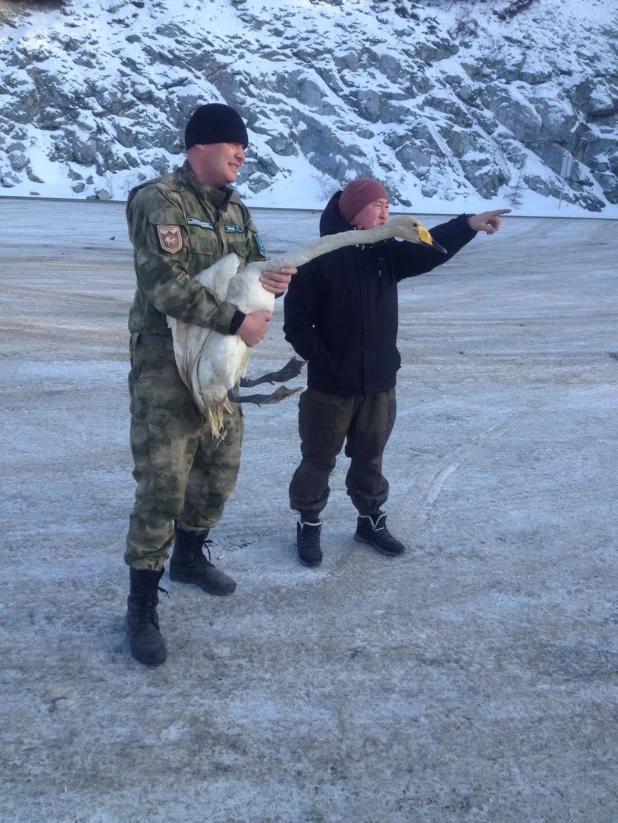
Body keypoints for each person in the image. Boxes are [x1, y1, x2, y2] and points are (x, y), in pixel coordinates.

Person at [124, 103, 295, 666]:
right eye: (233, 146)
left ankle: (191, 557)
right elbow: (163, 285)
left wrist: (274, 282)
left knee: (219, 469)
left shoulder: (238, 210)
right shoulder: (160, 200)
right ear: (201, 145)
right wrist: (235, 322)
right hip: (165, 364)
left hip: (220, 363)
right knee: (162, 483)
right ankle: (142, 603)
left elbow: (253, 268)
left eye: (244, 147)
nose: (242, 155)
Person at [283, 178, 509, 567]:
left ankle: (370, 521)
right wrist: (323, 361)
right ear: (353, 212)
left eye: (387, 203)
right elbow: (296, 322)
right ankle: (309, 524)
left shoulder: (385, 253)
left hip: (379, 383)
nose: (386, 211)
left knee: (370, 458)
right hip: (330, 387)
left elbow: (428, 251)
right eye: (377, 205)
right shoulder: (317, 257)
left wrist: (468, 224)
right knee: (318, 458)